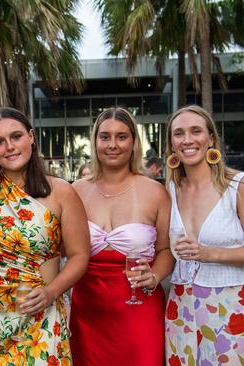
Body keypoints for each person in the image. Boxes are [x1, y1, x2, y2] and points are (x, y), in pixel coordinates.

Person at [0, 107, 89, 365]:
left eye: (16, 136)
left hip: (40, 310)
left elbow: (80, 256)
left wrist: (50, 292)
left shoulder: (61, 192)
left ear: (31, 137)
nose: (9, 147)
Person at [164, 105, 244, 365]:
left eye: (196, 131)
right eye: (179, 133)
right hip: (181, 303)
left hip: (230, 301)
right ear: (171, 143)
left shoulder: (239, 184)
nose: (187, 140)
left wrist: (209, 253)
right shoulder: (170, 188)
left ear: (211, 138)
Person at [69, 107, 173, 365]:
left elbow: (166, 250)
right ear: (95, 142)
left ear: (134, 142)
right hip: (87, 311)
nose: (112, 145)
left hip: (140, 309)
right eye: (104, 137)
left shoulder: (155, 192)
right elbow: (60, 248)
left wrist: (155, 275)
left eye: (121, 137)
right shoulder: (75, 191)